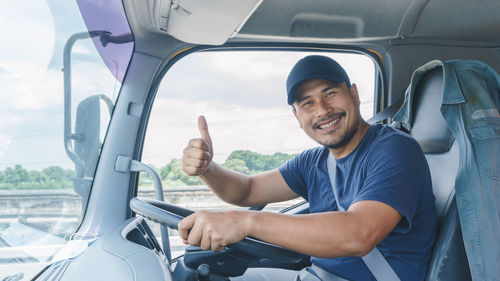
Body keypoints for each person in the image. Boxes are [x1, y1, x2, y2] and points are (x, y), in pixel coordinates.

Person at [178, 55, 437, 281]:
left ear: (354, 94)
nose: (323, 110)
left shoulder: (395, 149)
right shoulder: (313, 162)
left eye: (330, 93)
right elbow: (246, 191)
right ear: (297, 117)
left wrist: (244, 221)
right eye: (307, 103)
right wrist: (207, 169)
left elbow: (358, 233)